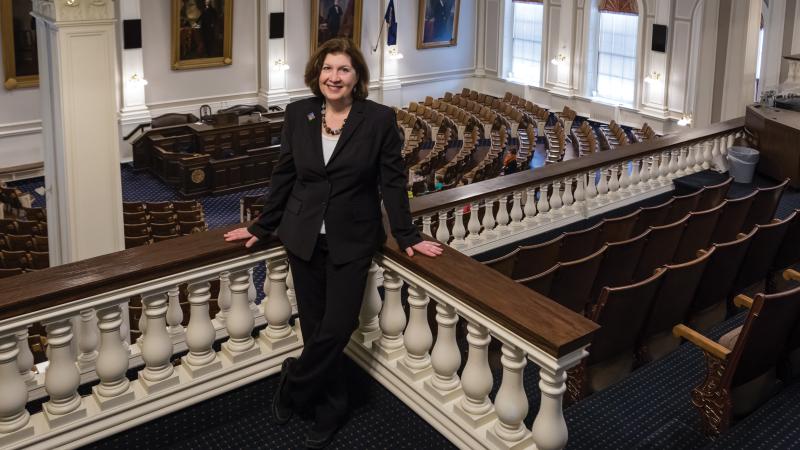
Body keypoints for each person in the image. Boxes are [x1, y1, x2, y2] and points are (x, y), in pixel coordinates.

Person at [224, 38, 442, 448]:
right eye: (328, 69)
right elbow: (284, 175)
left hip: (353, 237)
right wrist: (261, 226)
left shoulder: (378, 120)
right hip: (303, 236)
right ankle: (332, 404)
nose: (334, 77)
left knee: (339, 328)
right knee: (314, 326)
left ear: (357, 76)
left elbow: (392, 182)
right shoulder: (298, 113)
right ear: (317, 74)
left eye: (343, 70)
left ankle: (293, 383)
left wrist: (407, 234)